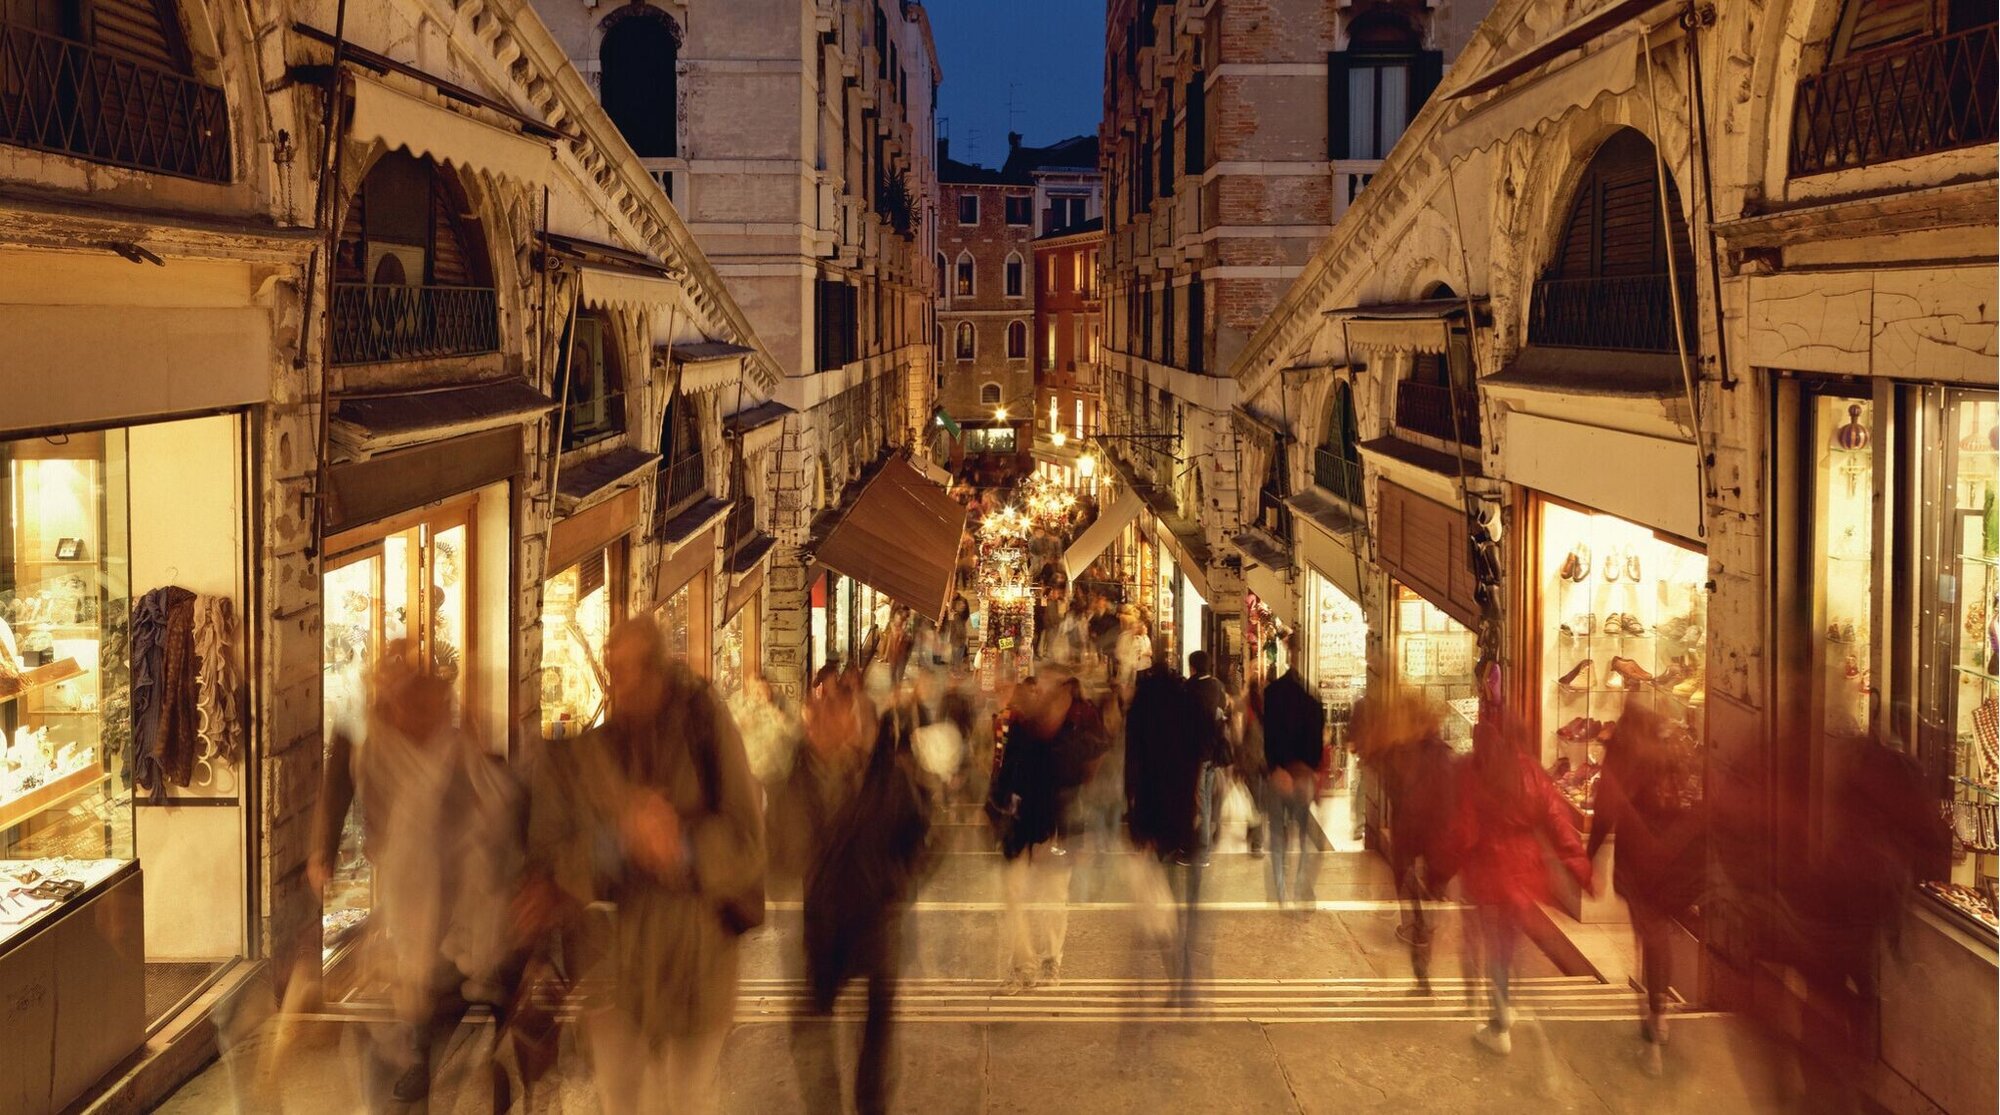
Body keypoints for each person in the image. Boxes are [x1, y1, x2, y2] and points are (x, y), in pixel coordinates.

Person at [522, 618, 765, 1115]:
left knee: (686, 1100)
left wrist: (680, 844)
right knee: (622, 1102)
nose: (618, 685)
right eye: (612, 671)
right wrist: (619, 842)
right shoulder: (598, 751)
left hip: (697, 969)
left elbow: (748, 845)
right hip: (617, 978)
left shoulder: (706, 728)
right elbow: (562, 856)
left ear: (658, 672)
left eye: (628, 671)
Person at [311, 639, 525, 1111]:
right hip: (408, 880)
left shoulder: (454, 749)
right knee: (416, 970)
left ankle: (487, 1054)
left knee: (465, 970)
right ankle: (421, 1057)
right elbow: (343, 782)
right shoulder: (372, 742)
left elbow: (497, 801)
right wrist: (324, 849)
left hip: (459, 883)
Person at [773, 677, 935, 1115]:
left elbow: (923, 839)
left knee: (876, 1048)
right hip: (823, 925)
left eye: (831, 714)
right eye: (816, 714)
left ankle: (871, 1105)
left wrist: (898, 882)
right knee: (814, 1041)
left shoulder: (888, 779)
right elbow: (781, 848)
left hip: (878, 923)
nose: (818, 722)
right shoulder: (799, 775)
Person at [1451, 706, 1591, 1057]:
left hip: (1486, 871)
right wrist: (1581, 869)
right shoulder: (1531, 772)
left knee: (1494, 946)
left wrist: (1447, 864)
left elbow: (1463, 826)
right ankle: (1505, 1004)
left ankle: (1499, 1024)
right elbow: (1558, 822)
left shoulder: (1474, 771)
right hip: (1522, 871)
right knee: (1508, 943)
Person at [1588, 706, 1704, 1075]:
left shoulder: (1623, 758)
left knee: (1648, 932)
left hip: (1641, 863)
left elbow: (1605, 812)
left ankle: (1653, 1016)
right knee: (1656, 936)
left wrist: (1587, 860)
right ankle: (1657, 1008)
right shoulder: (1675, 753)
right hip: (1677, 863)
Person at [1123, 649, 1206, 1002]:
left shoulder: (1142, 711)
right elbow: (1205, 749)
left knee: (1163, 901)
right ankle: (1185, 978)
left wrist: (1135, 820)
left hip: (1154, 819)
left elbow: (1134, 768)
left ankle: (1177, 978)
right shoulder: (1188, 706)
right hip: (1183, 817)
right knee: (1182, 903)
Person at [989, 674, 1072, 991]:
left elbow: (1069, 782)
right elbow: (1005, 775)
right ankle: (1024, 965)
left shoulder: (1059, 733)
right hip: (1021, 830)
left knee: (1053, 899)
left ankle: (1051, 963)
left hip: (1049, 829)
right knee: (1014, 896)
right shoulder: (1020, 729)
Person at [1261, 645, 1327, 908]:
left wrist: (1275, 767)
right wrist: (1310, 770)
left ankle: (1279, 891)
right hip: (1301, 776)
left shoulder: (1273, 693)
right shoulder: (1313, 699)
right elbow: (1316, 744)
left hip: (1281, 774)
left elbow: (1269, 736)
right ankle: (1300, 888)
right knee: (1308, 839)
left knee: (1278, 835)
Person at [1185, 651, 1232, 865]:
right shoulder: (1218, 686)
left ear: (1192, 667)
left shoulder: (1190, 688)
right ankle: (1205, 847)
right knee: (1207, 802)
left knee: (1199, 802)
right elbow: (1223, 713)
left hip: (1197, 753)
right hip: (1214, 752)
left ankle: (1201, 852)